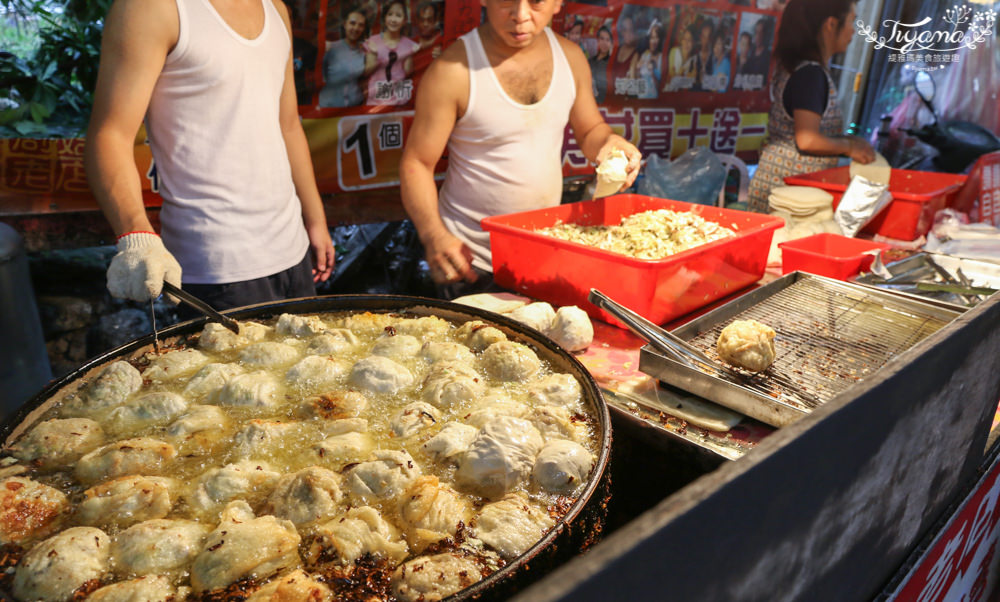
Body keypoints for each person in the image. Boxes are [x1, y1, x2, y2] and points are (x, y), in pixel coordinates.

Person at [84, 0, 335, 310]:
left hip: (291, 248)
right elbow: (109, 135)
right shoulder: (152, 8)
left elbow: (287, 126)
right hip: (216, 264)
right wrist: (136, 235)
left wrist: (315, 219)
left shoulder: (276, 9)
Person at [399, 0, 642, 298]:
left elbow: (591, 130)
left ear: (557, 3)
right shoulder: (453, 71)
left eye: (536, 2)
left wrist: (610, 143)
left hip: (543, 252)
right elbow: (417, 163)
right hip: (470, 260)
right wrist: (434, 235)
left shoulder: (570, 58)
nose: (521, 16)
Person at [746, 0, 875, 213]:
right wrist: (850, 148)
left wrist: (848, 140)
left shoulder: (799, 67)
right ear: (831, 24)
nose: (854, 30)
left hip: (780, 185)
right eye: (853, 21)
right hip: (787, 192)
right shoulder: (810, 75)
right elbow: (807, 139)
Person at [363, 0, 419, 106]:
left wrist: (411, 54)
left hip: (399, 100)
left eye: (398, 15)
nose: (393, 20)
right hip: (376, 99)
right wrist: (374, 54)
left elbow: (408, 72)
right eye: (390, 14)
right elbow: (366, 72)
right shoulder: (373, 41)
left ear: (404, 20)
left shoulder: (409, 44)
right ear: (384, 18)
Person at [319, 8, 368, 108]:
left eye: (360, 25)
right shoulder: (330, 48)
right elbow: (321, 75)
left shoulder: (365, 50)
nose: (356, 28)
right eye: (352, 23)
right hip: (330, 107)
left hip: (354, 106)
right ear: (345, 24)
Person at [411, 1, 443, 75]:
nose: (425, 24)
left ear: (436, 21)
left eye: (429, 20)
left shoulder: (443, 40)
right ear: (417, 21)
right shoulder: (410, 44)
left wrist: (444, 56)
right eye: (422, 20)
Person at [635, 20, 664, 99]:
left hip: (655, 102)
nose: (654, 41)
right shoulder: (645, 55)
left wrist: (652, 72)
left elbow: (661, 88)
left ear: (660, 40)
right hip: (641, 100)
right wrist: (637, 70)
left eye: (656, 37)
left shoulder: (663, 58)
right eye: (652, 38)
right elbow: (638, 82)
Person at [611, 15, 639, 96]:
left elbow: (632, 87)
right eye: (625, 30)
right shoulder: (615, 50)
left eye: (631, 30)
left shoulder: (635, 55)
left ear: (634, 33)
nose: (628, 34)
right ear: (621, 32)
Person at [665, 26, 696, 91]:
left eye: (689, 40)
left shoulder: (693, 60)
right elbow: (670, 77)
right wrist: (684, 77)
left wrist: (678, 77)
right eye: (684, 39)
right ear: (681, 40)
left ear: (693, 43)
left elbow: (691, 83)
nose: (686, 43)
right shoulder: (674, 51)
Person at [589, 25, 612, 103]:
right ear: (597, 40)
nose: (604, 43)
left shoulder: (611, 63)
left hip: (605, 105)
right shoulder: (589, 61)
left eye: (608, 40)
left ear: (611, 43)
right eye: (602, 39)